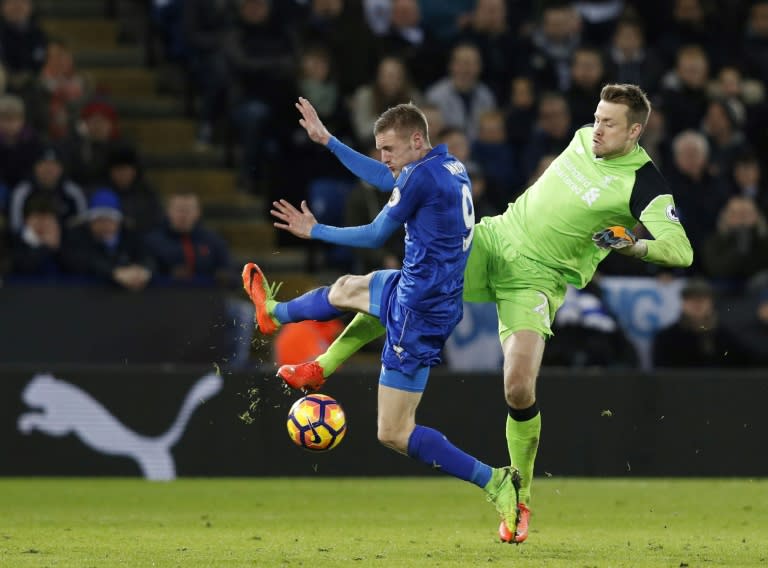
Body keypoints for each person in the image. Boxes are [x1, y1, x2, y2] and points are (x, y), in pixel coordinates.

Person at [270, 84, 694, 543]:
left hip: (537, 280)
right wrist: (329, 141)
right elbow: (400, 179)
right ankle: (322, 366)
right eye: (596, 117)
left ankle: (520, 492)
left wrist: (635, 244)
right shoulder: (580, 137)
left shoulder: (644, 182)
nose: (597, 129)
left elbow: (681, 250)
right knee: (409, 285)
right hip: (493, 240)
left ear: (636, 130)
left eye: (609, 123)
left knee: (518, 386)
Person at [242, 99, 523, 542]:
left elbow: (375, 234)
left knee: (394, 431)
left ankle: (495, 481)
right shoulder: (448, 166)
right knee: (346, 289)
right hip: (419, 286)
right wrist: (329, 141)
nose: (383, 159)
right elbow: (386, 179)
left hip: (421, 312)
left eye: (388, 149)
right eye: (379, 150)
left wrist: (314, 230)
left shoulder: (423, 176)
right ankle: (275, 317)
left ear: (415, 140)